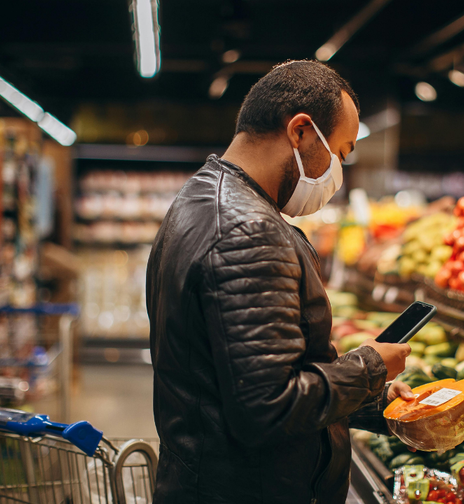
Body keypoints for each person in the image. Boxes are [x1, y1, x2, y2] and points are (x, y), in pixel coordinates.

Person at [146, 60, 414, 504]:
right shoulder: (246, 230)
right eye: (342, 153)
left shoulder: (200, 198)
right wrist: (369, 367)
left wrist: (372, 398)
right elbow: (268, 407)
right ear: (301, 132)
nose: (337, 173)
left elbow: (239, 377)